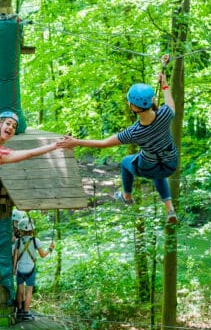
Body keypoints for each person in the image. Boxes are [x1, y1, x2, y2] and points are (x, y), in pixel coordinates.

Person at [58, 73, 178, 224]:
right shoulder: (165, 114)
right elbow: (171, 104)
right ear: (152, 101)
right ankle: (170, 209)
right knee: (159, 173)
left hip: (149, 167)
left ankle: (126, 196)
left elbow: (103, 143)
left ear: (133, 107)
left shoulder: (133, 132)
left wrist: (76, 141)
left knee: (125, 162)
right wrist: (164, 84)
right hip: (171, 163)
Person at [13, 218, 54, 321]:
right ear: (32, 230)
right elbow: (43, 255)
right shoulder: (36, 241)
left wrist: (14, 269)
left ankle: (19, 311)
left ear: (20, 230)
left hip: (20, 268)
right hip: (30, 269)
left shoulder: (18, 241)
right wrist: (50, 249)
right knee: (29, 292)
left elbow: (15, 257)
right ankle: (26, 313)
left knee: (19, 290)